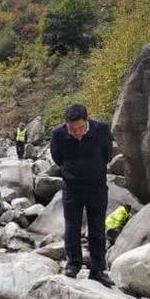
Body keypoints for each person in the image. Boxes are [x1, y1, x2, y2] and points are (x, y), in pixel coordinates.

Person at [50, 104, 114, 288]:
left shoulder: (101, 130)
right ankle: (73, 264)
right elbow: (57, 158)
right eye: (72, 129)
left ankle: (98, 270)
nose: (76, 132)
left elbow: (107, 154)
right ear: (66, 125)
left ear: (87, 120)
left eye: (79, 128)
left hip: (97, 187)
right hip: (72, 187)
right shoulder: (58, 134)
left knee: (97, 228)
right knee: (72, 227)